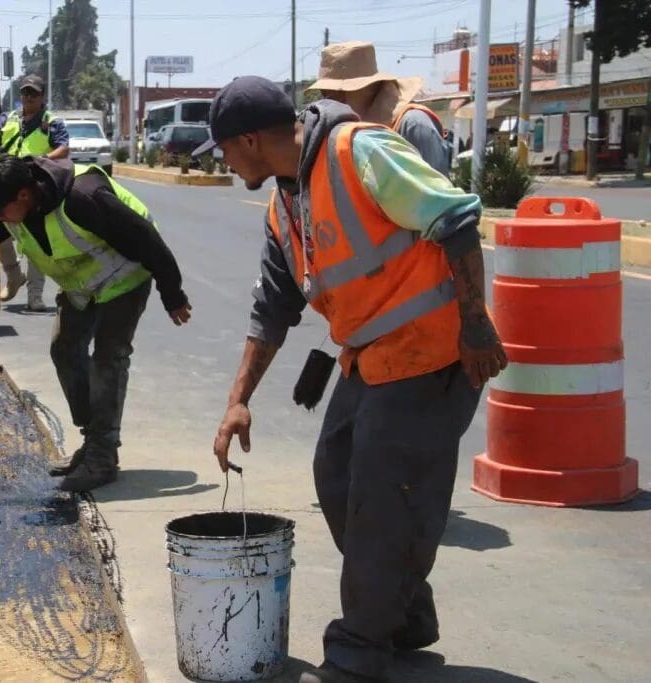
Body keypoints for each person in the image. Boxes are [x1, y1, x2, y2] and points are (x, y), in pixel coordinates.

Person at [198, 77, 507, 683]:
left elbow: (457, 218)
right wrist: (237, 403)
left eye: (227, 153)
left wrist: (475, 322)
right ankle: (405, 617)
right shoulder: (284, 203)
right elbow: (273, 310)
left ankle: (358, 652)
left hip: (433, 351)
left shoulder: (357, 151)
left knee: (382, 497)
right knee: (335, 476)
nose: (227, 166)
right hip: (372, 358)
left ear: (252, 141)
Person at [0, 155, 192, 491]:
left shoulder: (83, 198)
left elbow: (146, 237)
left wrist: (172, 295)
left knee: (108, 358)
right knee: (65, 349)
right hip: (82, 286)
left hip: (126, 277)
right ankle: (93, 440)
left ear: (24, 195)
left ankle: (103, 454)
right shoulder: (10, 207)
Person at [0, 75, 70, 311]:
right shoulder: (8, 118)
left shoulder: (51, 121)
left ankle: (35, 295)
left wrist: (43, 160)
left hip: (35, 187)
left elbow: (63, 148)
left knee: (35, 243)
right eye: (25, 93)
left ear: (42, 97)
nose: (28, 97)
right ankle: (13, 275)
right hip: (7, 183)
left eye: (34, 93)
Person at [309, 41, 451, 175]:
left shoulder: (414, 125)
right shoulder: (348, 133)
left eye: (337, 93)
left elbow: (440, 196)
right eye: (325, 94)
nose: (329, 102)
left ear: (370, 88)